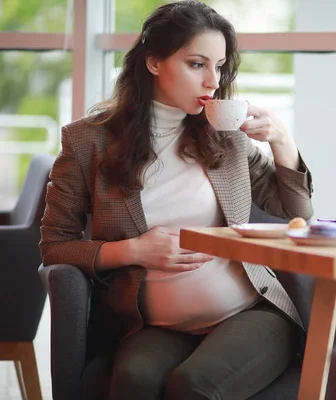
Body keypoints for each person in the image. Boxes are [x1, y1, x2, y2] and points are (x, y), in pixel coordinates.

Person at [40, 1, 313, 399]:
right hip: (153, 326)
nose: (212, 82)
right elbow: (55, 246)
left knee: (192, 386)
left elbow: (297, 212)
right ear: (153, 62)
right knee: (134, 381)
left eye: (219, 67)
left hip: (247, 313)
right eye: (197, 64)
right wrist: (133, 250)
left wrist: (281, 140)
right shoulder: (88, 142)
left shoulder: (227, 136)